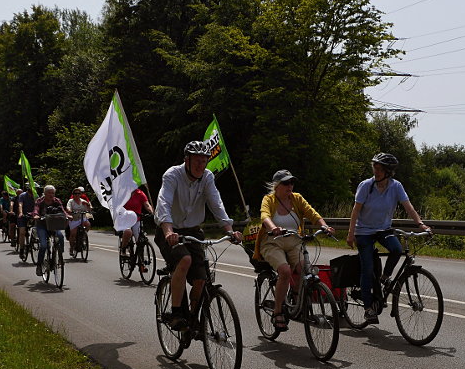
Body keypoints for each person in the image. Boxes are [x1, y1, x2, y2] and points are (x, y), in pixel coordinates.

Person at [154, 141, 243, 330]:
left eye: (204, 162)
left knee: (201, 278)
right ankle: (177, 312)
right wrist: (169, 231)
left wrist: (229, 231)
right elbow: (164, 203)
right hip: (170, 230)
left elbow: (216, 204)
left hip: (193, 231)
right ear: (186, 160)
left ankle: (193, 320)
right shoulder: (172, 175)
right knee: (184, 260)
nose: (200, 166)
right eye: (196, 161)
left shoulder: (207, 177)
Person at [347, 153, 431, 324]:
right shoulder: (366, 186)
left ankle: (384, 278)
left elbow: (409, 207)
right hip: (363, 231)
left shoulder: (396, 186)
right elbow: (355, 211)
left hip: (383, 229)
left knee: (397, 249)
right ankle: (369, 309)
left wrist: (421, 224)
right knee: (368, 268)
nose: (376, 172)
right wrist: (350, 234)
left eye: (380, 169)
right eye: (375, 168)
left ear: (388, 172)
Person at [253, 170, 335, 332]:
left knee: (305, 269)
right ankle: (277, 312)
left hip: (294, 240)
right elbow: (265, 216)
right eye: (285, 183)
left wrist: (324, 226)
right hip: (272, 241)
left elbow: (312, 213)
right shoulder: (269, 199)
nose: (289, 186)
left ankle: (296, 298)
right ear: (277, 185)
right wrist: (273, 227)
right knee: (284, 271)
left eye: (291, 182)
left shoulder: (297, 198)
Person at [32, 185, 69, 276]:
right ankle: (39, 265)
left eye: (52, 193)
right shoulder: (40, 201)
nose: (51, 195)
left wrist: (67, 216)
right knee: (44, 246)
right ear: (45, 193)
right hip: (42, 225)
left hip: (53, 224)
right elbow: (36, 210)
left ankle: (60, 256)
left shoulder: (57, 200)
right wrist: (36, 215)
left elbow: (62, 210)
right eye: (49, 193)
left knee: (60, 236)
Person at [119, 188, 154, 271]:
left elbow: (147, 204)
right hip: (126, 219)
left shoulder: (140, 193)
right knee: (128, 232)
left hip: (136, 219)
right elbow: (118, 206)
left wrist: (152, 212)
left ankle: (141, 263)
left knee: (140, 240)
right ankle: (123, 249)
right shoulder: (124, 193)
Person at [66, 187, 92, 256]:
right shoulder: (71, 201)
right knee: (73, 234)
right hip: (74, 218)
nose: (77, 195)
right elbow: (68, 207)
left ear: (80, 194)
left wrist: (88, 205)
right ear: (73, 194)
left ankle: (83, 236)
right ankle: (71, 248)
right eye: (75, 193)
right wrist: (70, 210)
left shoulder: (83, 201)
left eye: (78, 193)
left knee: (88, 224)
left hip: (82, 217)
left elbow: (89, 209)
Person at [17, 187, 36, 253]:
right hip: (23, 216)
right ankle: (21, 249)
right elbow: (20, 204)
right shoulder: (22, 195)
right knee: (22, 232)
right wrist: (21, 213)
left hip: (33, 215)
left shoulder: (36, 195)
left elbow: (38, 205)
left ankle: (33, 241)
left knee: (37, 230)